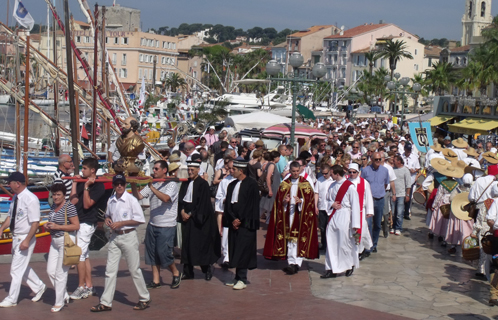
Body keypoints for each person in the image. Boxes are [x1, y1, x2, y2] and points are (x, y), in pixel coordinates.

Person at [91, 174, 150, 312]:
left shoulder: (131, 200)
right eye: (116, 184)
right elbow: (107, 215)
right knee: (110, 270)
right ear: (113, 185)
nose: (119, 186)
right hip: (115, 237)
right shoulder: (111, 200)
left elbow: (139, 219)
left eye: (121, 184)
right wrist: (108, 220)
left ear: (125, 185)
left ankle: (144, 297)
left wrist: (122, 223)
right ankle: (106, 302)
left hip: (128, 235)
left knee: (134, 269)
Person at [131, 160, 182, 290]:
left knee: (163, 252)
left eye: (156, 169)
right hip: (153, 223)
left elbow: (165, 198)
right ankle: (156, 279)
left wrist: (152, 187)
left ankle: (176, 272)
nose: (154, 171)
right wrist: (133, 184)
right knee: (152, 253)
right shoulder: (151, 184)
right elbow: (139, 196)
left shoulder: (171, 185)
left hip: (166, 224)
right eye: (153, 169)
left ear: (164, 170)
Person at [0, 172, 47, 308]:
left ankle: (12, 298)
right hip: (16, 236)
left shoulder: (30, 199)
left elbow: (35, 223)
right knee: (22, 266)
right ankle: (39, 286)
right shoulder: (16, 198)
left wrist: (27, 240)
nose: (8, 185)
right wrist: (2, 228)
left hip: (24, 236)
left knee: (15, 269)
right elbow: (11, 217)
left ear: (17, 184)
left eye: (10, 183)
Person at [264, 161, 319, 275]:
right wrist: (284, 201)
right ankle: (290, 262)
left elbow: (310, 201)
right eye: (293, 171)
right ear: (290, 171)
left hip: (300, 216)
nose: (295, 173)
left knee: (298, 239)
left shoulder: (306, 183)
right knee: (289, 239)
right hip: (287, 215)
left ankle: (297, 263)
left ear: (300, 171)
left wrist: (301, 202)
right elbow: (278, 201)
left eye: (297, 171)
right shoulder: (285, 184)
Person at [178, 154, 221, 280]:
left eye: (192, 170)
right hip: (187, 218)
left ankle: (206, 269)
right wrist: (182, 212)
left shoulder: (202, 184)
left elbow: (203, 204)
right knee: (186, 245)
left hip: (199, 219)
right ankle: (188, 271)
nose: (190, 172)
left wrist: (191, 214)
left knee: (200, 245)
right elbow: (181, 199)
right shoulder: (186, 184)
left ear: (198, 170)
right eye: (189, 170)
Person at [69, 157, 106, 300]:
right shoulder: (81, 181)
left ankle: (81, 287)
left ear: (92, 170)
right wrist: (74, 183)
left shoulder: (98, 185)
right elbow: (73, 202)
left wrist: (86, 187)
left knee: (79, 255)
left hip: (87, 222)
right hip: (78, 221)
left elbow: (87, 204)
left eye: (84, 168)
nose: (81, 171)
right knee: (85, 256)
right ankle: (89, 286)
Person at [223, 159, 260, 290]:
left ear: (241, 171)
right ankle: (237, 277)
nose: (231, 171)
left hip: (246, 224)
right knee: (236, 249)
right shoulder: (232, 185)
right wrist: (233, 218)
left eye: (234, 169)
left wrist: (240, 220)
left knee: (244, 250)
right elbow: (228, 204)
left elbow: (251, 205)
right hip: (234, 223)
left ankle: (242, 278)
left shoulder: (252, 185)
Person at [45, 183, 80, 312]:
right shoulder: (53, 206)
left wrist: (58, 227)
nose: (55, 197)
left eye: (58, 194)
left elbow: (76, 226)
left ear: (64, 195)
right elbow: (53, 222)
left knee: (61, 273)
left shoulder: (69, 207)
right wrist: (48, 226)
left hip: (65, 241)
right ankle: (63, 294)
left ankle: (59, 302)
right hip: (54, 241)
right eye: (54, 194)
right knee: (50, 271)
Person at [321, 165, 360, 278]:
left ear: (337, 174)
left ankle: (348, 265)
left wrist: (355, 224)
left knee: (344, 243)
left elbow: (355, 205)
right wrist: (331, 204)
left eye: (331, 173)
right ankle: (331, 268)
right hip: (333, 216)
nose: (330, 175)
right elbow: (327, 200)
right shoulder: (332, 185)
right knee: (331, 242)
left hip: (345, 215)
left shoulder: (349, 187)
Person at [360, 152, 390, 254]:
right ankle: (367, 245)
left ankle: (374, 244)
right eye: (376, 159)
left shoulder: (385, 170)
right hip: (369, 200)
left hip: (380, 199)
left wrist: (380, 192)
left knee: (377, 224)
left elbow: (386, 184)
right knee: (368, 224)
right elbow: (362, 185)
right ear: (372, 160)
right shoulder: (365, 170)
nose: (378, 161)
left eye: (380, 159)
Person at [348, 163, 374, 261]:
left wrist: (369, 210)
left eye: (354, 172)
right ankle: (352, 249)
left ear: (358, 172)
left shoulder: (364, 182)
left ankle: (361, 250)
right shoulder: (346, 182)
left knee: (362, 230)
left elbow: (368, 196)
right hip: (349, 211)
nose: (352, 174)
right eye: (350, 172)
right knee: (351, 231)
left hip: (360, 211)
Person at [315, 163, 334, 251]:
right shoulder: (319, 180)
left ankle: (330, 244)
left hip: (330, 207)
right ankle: (323, 244)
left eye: (326, 173)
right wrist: (315, 206)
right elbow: (316, 193)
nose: (324, 175)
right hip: (322, 206)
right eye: (323, 173)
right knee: (322, 227)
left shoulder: (333, 181)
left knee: (330, 227)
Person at [391, 155, 412, 235]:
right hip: (393, 194)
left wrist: (407, 195)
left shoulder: (405, 170)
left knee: (399, 213)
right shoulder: (392, 169)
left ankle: (398, 227)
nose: (393, 162)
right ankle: (393, 226)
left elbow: (408, 184)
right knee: (393, 212)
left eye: (394, 161)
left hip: (401, 194)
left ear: (399, 162)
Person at [260, 151, 281, 222]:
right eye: (278, 157)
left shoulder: (270, 164)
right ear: (275, 158)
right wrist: (270, 190)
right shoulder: (272, 165)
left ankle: (268, 223)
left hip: (273, 188)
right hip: (272, 188)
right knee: (264, 207)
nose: (279, 159)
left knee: (269, 207)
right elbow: (268, 177)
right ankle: (248, 222)